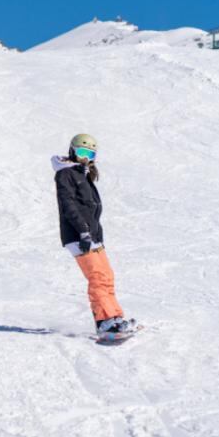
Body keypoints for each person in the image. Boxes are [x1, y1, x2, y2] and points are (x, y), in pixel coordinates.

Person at [52, 133, 134, 334]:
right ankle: (104, 320)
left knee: (106, 276)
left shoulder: (83, 173)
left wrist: (95, 234)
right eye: (81, 152)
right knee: (97, 277)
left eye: (89, 153)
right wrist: (83, 232)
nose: (85, 158)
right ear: (72, 150)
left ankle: (114, 317)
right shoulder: (66, 174)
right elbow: (68, 205)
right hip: (78, 235)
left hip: (92, 235)